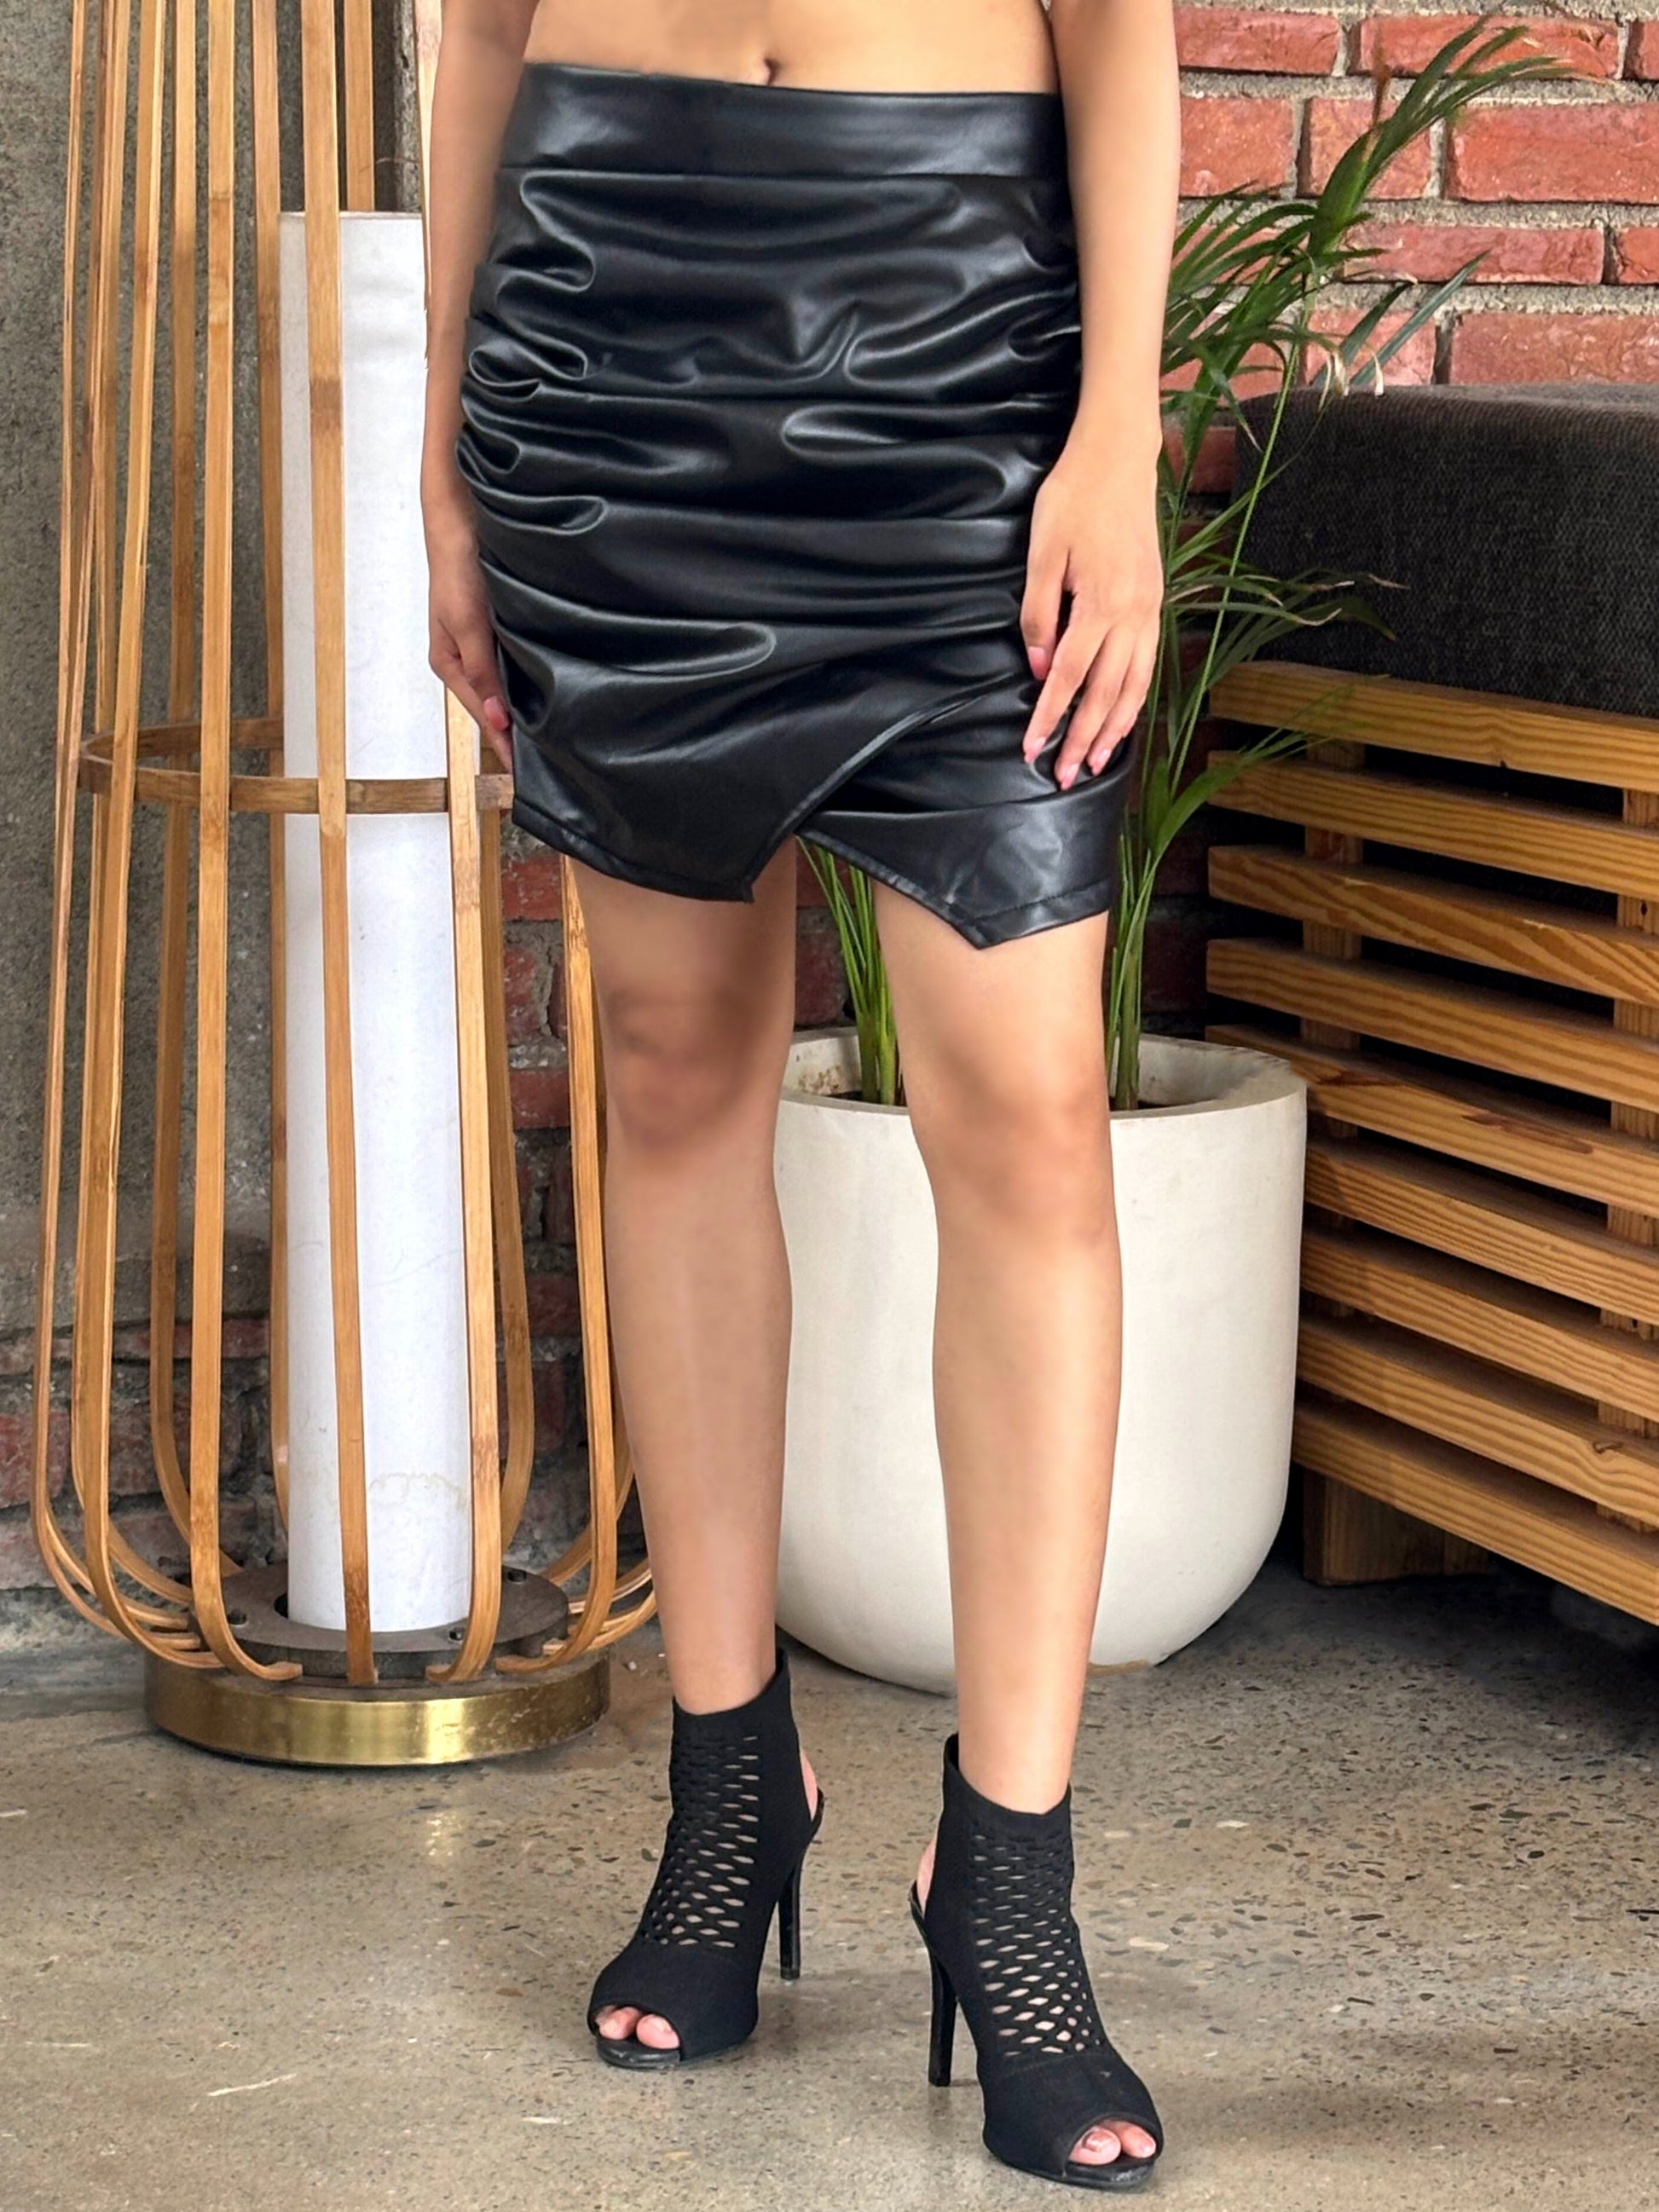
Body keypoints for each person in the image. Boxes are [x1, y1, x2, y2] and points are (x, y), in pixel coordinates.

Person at [421, 0, 1178, 2187]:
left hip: (956, 352)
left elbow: (1120, 31)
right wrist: (450, 464)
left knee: (1026, 1112)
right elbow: (478, 34)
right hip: (608, 359)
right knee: (669, 1069)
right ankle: (731, 1778)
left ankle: (1006, 1870)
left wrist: (1111, 435)